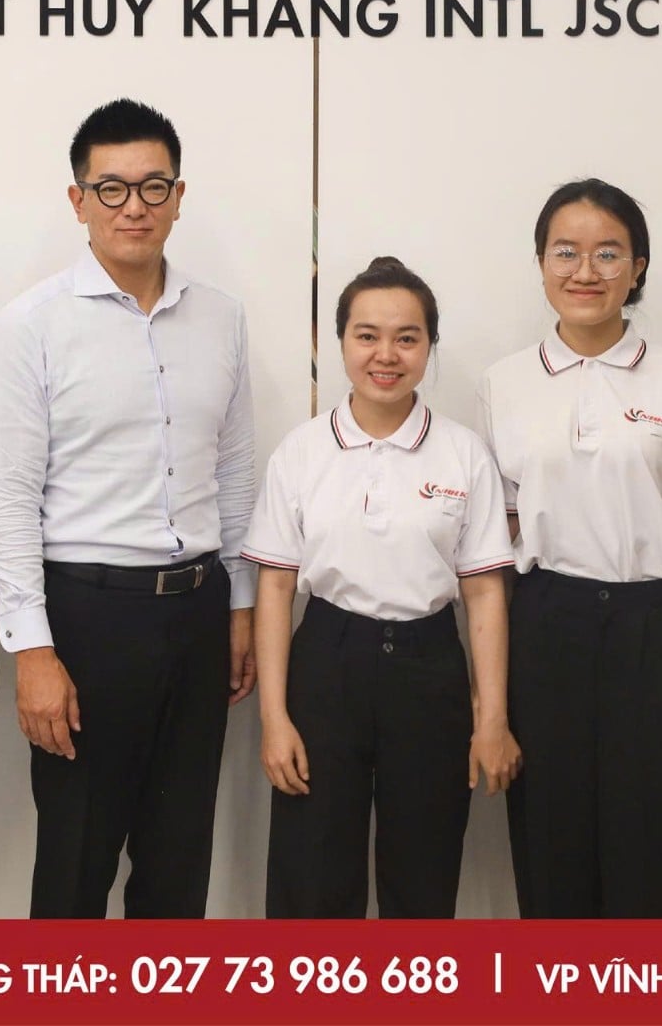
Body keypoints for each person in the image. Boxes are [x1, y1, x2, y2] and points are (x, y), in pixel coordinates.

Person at [0, 98, 257, 919]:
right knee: (76, 864)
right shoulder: (30, 326)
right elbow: (9, 500)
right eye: (111, 188)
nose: (134, 205)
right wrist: (32, 649)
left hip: (198, 611)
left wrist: (240, 607)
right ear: (79, 200)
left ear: (178, 196)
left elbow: (234, 469)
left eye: (152, 186)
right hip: (86, 618)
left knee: (178, 863)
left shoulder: (222, 317)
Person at [479, 178, 662, 918]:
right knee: (552, 849)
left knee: (657, 850)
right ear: (541, 262)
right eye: (566, 251)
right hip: (546, 628)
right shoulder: (504, 382)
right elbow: (498, 551)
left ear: (638, 267)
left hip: (654, 632)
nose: (585, 271)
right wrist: (490, 698)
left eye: (608, 253)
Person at [249, 257, 521, 918]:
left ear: (429, 345)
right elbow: (276, 588)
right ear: (340, 340)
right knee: (312, 873)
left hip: (430, 668)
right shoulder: (302, 451)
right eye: (367, 335)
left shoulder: (463, 453)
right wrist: (275, 718)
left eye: (407, 337)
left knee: (423, 873)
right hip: (327, 660)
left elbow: (485, 594)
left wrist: (491, 718)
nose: (386, 355)